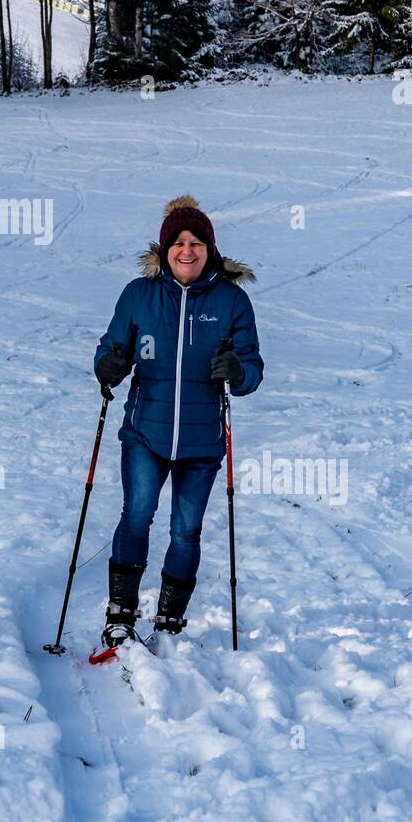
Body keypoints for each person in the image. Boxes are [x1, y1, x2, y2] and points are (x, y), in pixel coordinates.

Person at [93, 195, 264, 648]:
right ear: (164, 249)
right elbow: (111, 349)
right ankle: (121, 613)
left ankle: (169, 618)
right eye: (178, 243)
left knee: (186, 531)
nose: (187, 251)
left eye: (196, 242)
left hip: (202, 442)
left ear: (210, 248)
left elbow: (252, 371)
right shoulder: (139, 294)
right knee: (137, 516)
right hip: (144, 433)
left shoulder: (232, 302)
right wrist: (107, 366)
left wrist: (239, 371)